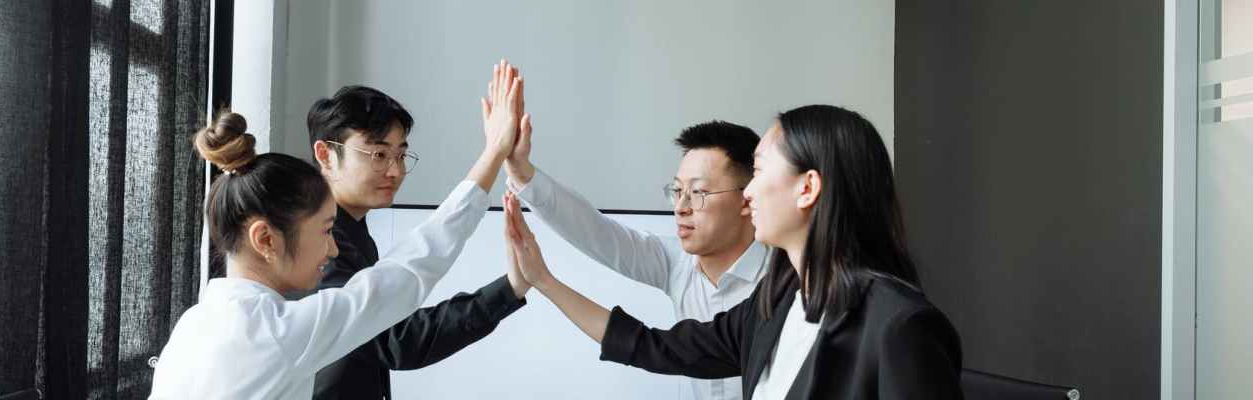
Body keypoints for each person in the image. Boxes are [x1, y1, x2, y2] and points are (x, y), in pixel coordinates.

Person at [503, 105, 963, 399]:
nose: (749, 196)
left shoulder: (900, 326)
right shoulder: (775, 309)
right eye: (677, 192)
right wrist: (543, 280)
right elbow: (652, 346)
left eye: (759, 173)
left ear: (808, 188)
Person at [149, 60, 527, 399]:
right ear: (266, 239)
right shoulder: (282, 334)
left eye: (400, 155)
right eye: (378, 154)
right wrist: (493, 154)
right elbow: (406, 279)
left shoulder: (192, 326)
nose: (330, 250)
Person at [290, 60, 533, 399]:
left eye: (401, 156)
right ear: (326, 155)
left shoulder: (352, 231)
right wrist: (510, 288)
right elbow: (399, 341)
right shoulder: (320, 241)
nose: (394, 171)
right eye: (378, 154)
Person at [504, 117, 765, 400]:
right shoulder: (675, 261)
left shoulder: (789, 281)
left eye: (698, 192)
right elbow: (597, 233)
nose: (680, 207)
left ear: (747, 199)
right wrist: (522, 173)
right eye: (677, 191)